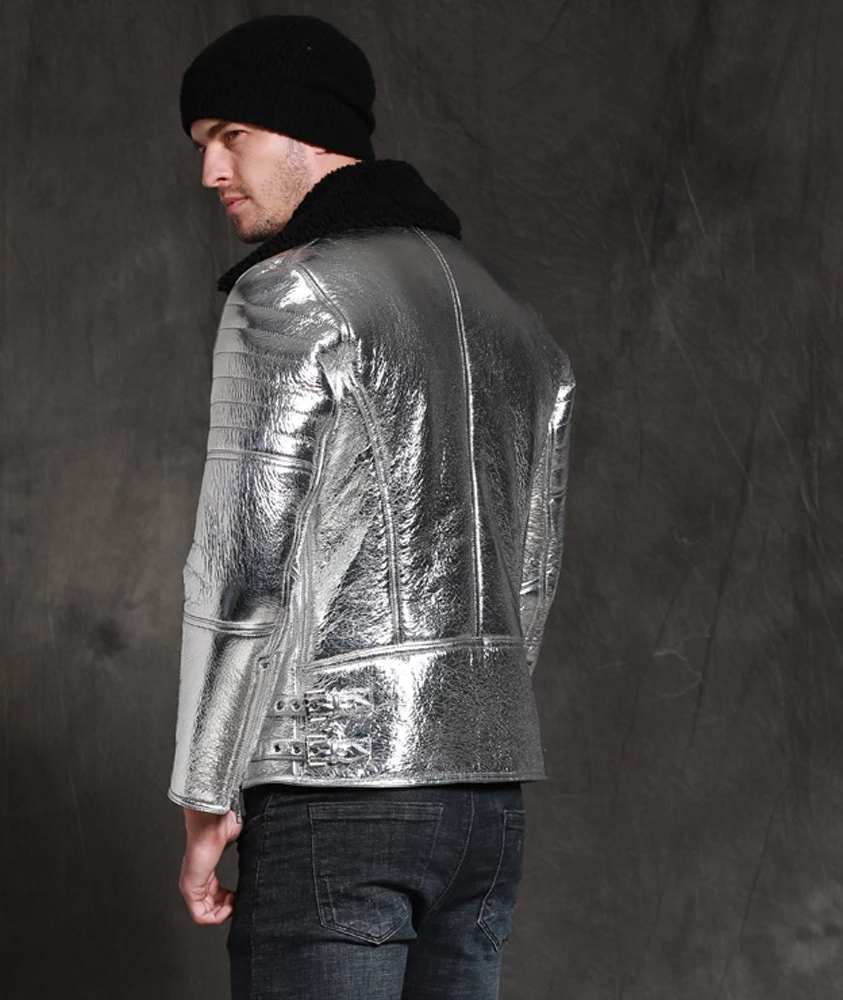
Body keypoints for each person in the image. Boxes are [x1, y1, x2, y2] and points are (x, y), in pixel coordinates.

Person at [168, 15, 574, 1000]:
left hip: (334, 792)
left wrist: (204, 790)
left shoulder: (287, 294)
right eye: (203, 145)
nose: (211, 171)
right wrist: (461, 737)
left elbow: (242, 569)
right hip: (487, 806)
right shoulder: (518, 321)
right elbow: (530, 575)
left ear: (307, 128)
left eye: (230, 136)